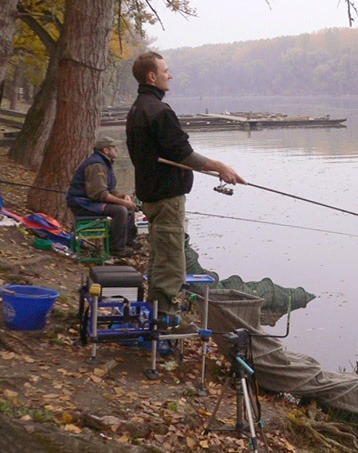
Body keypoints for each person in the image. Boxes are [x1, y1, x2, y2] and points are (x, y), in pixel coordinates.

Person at [126, 51, 246, 334]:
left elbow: (170, 153)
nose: (171, 75)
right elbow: (182, 153)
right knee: (171, 264)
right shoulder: (158, 111)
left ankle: (156, 311)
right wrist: (220, 167)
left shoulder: (137, 108)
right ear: (151, 76)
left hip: (151, 197)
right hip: (166, 199)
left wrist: (214, 169)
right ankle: (164, 324)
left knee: (159, 257)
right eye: (166, 70)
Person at [66, 136, 139, 258]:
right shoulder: (96, 165)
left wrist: (124, 196)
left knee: (129, 208)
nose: (117, 149)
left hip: (92, 201)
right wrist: (122, 203)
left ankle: (127, 242)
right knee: (120, 210)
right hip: (82, 203)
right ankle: (116, 248)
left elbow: (110, 190)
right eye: (114, 147)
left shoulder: (105, 163)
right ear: (106, 150)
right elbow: (99, 194)